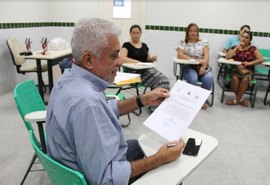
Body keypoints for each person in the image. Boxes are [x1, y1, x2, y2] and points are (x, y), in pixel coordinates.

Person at [46, 17, 185, 185]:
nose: (119, 62)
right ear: (89, 60)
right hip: (97, 178)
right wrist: (160, 158)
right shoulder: (87, 104)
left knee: (134, 145)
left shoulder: (68, 78)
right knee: (172, 169)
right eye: (113, 56)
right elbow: (107, 179)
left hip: (78, 168)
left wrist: (142, 100)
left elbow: (105, 109)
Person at [120, 24, 170, 91]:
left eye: (138, 33)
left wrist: (153, 58)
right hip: (135, 72)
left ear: (141, 34)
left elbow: (148, 59)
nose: (136, 35)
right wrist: (138, 63)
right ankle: (155, 98)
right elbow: (122, 58)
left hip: (147, 69)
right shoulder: (126, 45)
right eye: (133, 33)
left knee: (165, 79)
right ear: (130, 34)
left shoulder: (144, 45)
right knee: (160, 81)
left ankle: (160, 99)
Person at [177, 23, 214, 110]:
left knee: (209, 78)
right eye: (191, 31)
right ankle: (191, 99)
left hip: (202, 66)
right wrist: (194, 60)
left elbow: (206, 56)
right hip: (188, 66)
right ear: (187, 32)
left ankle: (201, 100)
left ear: (197, 32)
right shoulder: (183, 42)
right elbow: (180, 55)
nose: (193, 33)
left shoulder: (204, 42)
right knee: (193, 78)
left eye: (195, 31)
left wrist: (203, 66)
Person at [225, 31, 264, 107]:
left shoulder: (253, 49)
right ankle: (240, 100)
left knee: (245, 80)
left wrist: (249, 63)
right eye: (243, 37)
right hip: (235, 70)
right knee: (235, 78)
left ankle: (236, 100)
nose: (244, 39)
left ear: (250, 40)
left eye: (246, 38)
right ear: (240, 38)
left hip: (248, 71)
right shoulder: (234, 47)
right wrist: (237, 47)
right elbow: (227, 57)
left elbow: (261, 59)